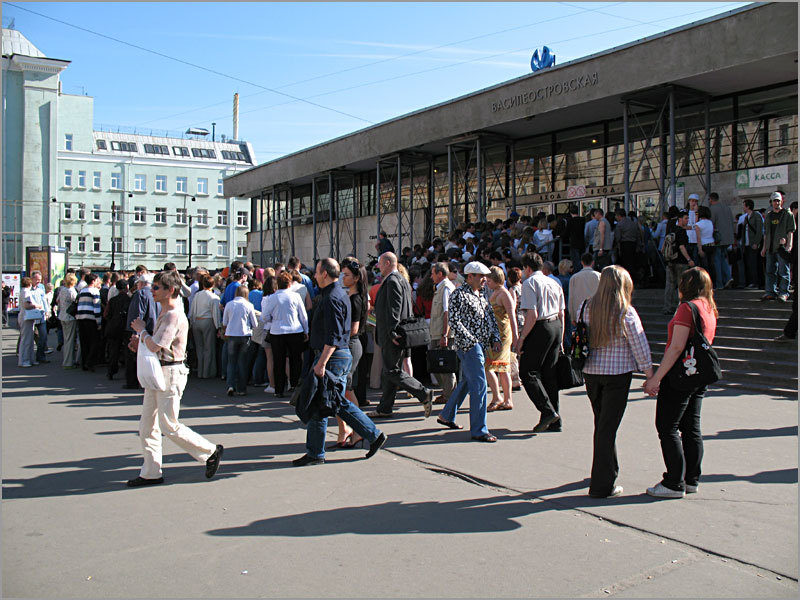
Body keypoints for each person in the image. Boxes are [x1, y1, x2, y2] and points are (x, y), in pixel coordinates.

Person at [127, 270, 223, 487]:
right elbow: (156, 347)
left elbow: (157, 345)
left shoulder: (173, 314)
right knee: (147, 425)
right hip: (159, 371)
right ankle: (151, 472)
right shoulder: (165, 312)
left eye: (156, 288)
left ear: (170, 290)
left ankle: (210, 451)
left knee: (168, 424)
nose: (152, 291)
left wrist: (142, 333)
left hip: (171, 373)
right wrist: (140, 343)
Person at [293, 258, 386, 466]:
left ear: (324, 274)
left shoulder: (333, 297)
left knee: (332, 401)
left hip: (332, 357)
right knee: (325, 403)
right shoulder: (335, 294)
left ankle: (372, 434)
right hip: (333, 356)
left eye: (317, 272)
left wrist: (322, 363)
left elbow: (334, 335)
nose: (314, 276)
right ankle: (316, 452)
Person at [644, 267, 718, 498]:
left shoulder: (687, 308)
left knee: (667, 427)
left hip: (680, 374)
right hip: (698, 374)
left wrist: (656, 378)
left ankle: (673, 482)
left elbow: (677, 346)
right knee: (691, 428)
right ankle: (691, 479)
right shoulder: (708, 307)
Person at [581, 266, 653, 498]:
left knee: (602, 424)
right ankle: (602, 484)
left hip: (592, 371)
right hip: (617, 373)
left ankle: (606, 471)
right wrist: (650, 374)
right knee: (607, 428)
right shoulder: (625, 311)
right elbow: (639, 345)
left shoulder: (588, 306)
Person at [437, 261, 502, 442]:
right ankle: (479, 429)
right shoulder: (459, 295)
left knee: (468, 381)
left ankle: (447, 415)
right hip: (470, 347)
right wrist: (471, 342)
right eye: (481, 276)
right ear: (470, 277)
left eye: (485, 277)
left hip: (478, 345)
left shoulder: (481, 295)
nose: (484, 280)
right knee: (479, 385)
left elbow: (490, 317)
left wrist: (495, 337)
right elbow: (455, 321)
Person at [370, 252, 434, 419]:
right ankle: (385, 407)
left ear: (387, 263)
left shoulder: (392, 281)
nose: (378, 267)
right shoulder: (402, 280)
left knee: (392, 370)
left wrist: (392, 331)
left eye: (380, 264)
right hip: (401, 333)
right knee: (389, 371)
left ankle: (423, 393)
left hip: (394, 334)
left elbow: (394, 308)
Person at [513, 252, 565, 433]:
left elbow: (532, 315)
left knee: (528, 372)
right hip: (555, 326)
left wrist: (522, 339)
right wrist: (561, 338)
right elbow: (561, 312)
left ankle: (548, 411)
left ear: (527, 268)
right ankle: (554, 419)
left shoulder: (529, 283)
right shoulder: (553, 281)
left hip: (541, 327)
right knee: (549, 373)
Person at [335, 257, 369, 447]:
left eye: (346, 275)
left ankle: (356, 430)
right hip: (348, 344)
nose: (343, 277)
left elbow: (354, 329)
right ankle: (347, 430)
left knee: (345, 390)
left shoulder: (355, 299)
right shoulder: (351, 296)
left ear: (356, 278)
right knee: (343, 390)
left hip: (350, 344)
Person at [261, 272, 308, 398]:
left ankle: (279, 389)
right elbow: (303, 316)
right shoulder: (296, 296)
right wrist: (306, 331)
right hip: (295, 330)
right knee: (295, 359)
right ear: (289, 283)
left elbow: (264, 316)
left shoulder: (272, 298)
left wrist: (273, 319)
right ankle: (294, 383)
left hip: (277, 331)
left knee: (278, 361)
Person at [485, 266, 518, 412]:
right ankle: (507, 399)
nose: (486, 283)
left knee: (490, 366)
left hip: (502, 335)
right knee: (502, 368)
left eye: (489, 280)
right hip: (496, 335)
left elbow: (512, 316)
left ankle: (498, 397)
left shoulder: (504, 294)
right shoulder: (496, 292)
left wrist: (516, 338)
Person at [221, 285, 258, 396]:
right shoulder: (249, 305)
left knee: (231, 362)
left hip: (231, 334)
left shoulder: (229, 304)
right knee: (242, 362)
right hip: (244, 335)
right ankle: (242, 388)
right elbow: (255, 323)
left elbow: (224, 322)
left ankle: (230, 385)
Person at [429, 262, 456, 405]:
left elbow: (447, 312)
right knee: (436, 364)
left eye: (433, 273)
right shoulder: (440, 288)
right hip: (436, 331)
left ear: (440, 274)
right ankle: (447, 392)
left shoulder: (446, 288)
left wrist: (445, 334)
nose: (431, 276)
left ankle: (450, 395)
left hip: (442, 333)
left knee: (445, 365)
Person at [761, 191, 795, 302]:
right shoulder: (769, 215)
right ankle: (770, 292)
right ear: (771, 202)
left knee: (783, 271)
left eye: (778, 200)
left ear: (782, 201)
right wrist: (764, 248)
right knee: (770, 271)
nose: (777, 203)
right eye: (775, 201)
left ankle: (784, 293)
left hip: (781, 247)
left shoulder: (787, 214)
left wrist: (789, 245)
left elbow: (791, 231)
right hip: (770, 247)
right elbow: (766, 233)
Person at [125, 273, 157, 390]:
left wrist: (135, 332)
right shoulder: (156, 294)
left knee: (136, 356)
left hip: (143, 330)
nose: (137, 285)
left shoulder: (140, 293)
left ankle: (133, 382)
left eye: (138, 283)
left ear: (142, 283)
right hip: (154, 329)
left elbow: (138, 313)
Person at [188, 273, 221, 379]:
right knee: (208, 348)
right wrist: (218, 327)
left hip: (196, 321)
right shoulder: (214, 297)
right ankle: (207, 372)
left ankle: (200, 371)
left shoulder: (197, 295)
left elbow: (192, 310)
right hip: (208, 321)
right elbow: (215, 314)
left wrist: (192, 322)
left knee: (199, 348)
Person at [663, 210, 695, 315]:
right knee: (682, 285)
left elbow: (663, 247)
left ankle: (667, 307)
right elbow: (682, 247)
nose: (687, 220)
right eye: (686, 218)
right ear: (680, 219)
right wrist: (689, 259)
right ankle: (681, 308)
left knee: (670, 285)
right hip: (681, 262)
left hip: (670, 261)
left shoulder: (671, 230)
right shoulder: (681, 232)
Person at [75, 273, 103, 372]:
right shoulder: (95, 291)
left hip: (80, 318)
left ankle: (84, 363)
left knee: (84, 342)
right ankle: (90, 362)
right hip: (91, 319)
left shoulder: (82, 291)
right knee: (94, 342)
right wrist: (99, 322)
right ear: (93, 281)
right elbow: (96, 307)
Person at [105, 279, 131, 380]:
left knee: (113, 350)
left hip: (113, 327)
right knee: (127, 351)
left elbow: (106, 314)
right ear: (126, 287)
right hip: (125, 327)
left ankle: (111, 371)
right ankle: (128, 373)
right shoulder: (129, 300)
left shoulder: (112, 300)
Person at [708, 192, 735, 289]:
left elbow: (711, 224)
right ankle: (728, 277)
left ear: (711, 199)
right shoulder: (727, 208)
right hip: (728, 238)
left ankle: (720, 283)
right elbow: (732, 222)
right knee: (723, 259)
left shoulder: (713, 209)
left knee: (717, 260)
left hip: (718, 239)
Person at [568, 253, 601, 326]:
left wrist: (572, 317)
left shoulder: (574, 277)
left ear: (581, 262)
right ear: (593, 262)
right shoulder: (599, 276)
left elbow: (571, 298)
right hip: (596, 314)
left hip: (579, 315)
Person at [740, 199, 763, 289]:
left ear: (748, 206)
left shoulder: (756, 215)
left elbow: (759, 230)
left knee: (753, 264)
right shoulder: (746, 217)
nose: (743, 207)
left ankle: (755, 282)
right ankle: (750, 282)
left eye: (744, 205)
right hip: (747, 244)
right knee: (749, 264)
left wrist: (756, 242)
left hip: (753, 244)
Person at [56, 273, 79, 369]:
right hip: (70, 317)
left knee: (66, 339)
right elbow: (76, 302)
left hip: (62, 315)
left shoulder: (62, 290)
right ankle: (68, 362)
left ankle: (66, 360)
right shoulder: (72, 291)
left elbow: (57, 301)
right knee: (70, 340)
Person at [28, 271, 50, 364]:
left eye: (40, 280)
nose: (38, 281)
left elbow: (44, 300)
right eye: (36, 280)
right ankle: (29, 357)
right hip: (31, 316)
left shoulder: (41, 287)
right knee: (29, 337)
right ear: (32, 279)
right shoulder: (28, 289)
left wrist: (47, 311)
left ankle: (41, 356)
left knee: (43, 336)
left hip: (41, 315)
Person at [17, 277, 38, 367]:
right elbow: (26, 305)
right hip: (26, 317)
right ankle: (24, 360)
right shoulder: (26, 291)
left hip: (26, 317)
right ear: (29, 283)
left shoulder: (24, 291)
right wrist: (37, 305)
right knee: (26, 340)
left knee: (29, 339)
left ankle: (29, 359)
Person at [693, 206, 716, 282]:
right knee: (711, 265)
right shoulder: (710, 222)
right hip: (711, 244)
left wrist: (699, 250)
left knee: (703, 266)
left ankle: (705, 282)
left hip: (703, 245)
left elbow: (698, 238)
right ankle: (713, 282)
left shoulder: (698, 224)